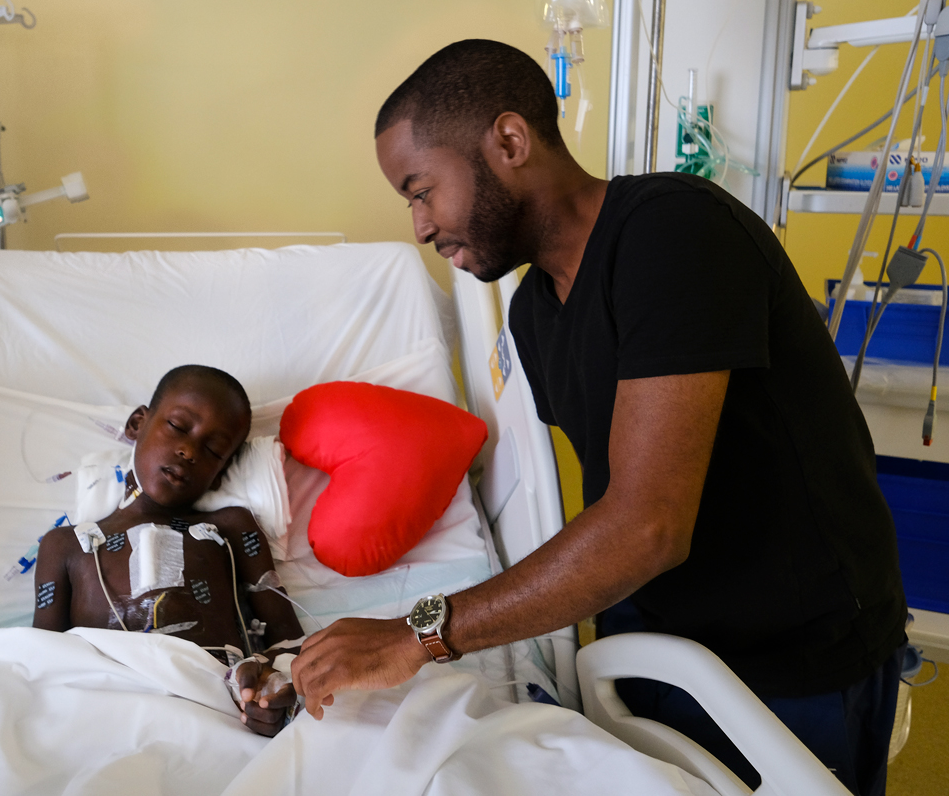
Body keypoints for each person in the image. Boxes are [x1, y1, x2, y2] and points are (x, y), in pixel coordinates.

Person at [292, 39, 907, 795]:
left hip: (794, 658)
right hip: (649, 645)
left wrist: (421, 632)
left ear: (510, 141)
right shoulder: (534, 314)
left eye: (421, 190)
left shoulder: (672, 234)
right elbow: (618, 514)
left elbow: (648, 523)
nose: (419, 225)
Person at [33, 364, 304, 737]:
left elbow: (289, 643)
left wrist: (273, 696)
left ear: (221, 474)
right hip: (100, 714)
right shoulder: (65, 546)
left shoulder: (233, 527)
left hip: (213, 717)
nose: (188, 451)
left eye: (213, 450)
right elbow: (39, 663)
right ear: (137, 423)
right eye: (178, 427)